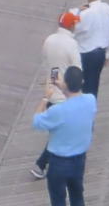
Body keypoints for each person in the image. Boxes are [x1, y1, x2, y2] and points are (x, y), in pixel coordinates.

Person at [31, 66, 97, 206]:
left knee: (59, 204)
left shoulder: (58, 111)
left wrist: (46, 97)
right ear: (82, 83)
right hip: (79, 161)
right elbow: (79, 97)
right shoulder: (91, 101)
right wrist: (66, 88)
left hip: (59, 163)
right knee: (77, 199)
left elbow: (36, 121)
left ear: (66, 83)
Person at [30, 10, 82, 180]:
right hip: (65, 96)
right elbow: (77, 70)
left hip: (51, 92)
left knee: (57, 131)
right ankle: (41, 164)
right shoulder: (71, 44)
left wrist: (54, 81)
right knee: (60, 134)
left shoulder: (49, 40)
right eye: (75, 23)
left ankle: (47, 163)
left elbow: (50, 65)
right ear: (71, 25)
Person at [73, 0, 109, 97]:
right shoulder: (107, 8)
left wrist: (78, 11)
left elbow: (75, 28)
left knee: (82, 86)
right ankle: (91, 108)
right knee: (94, 84)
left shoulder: (87, 12)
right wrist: (107, 54)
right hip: (101, 53)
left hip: (86, 53)